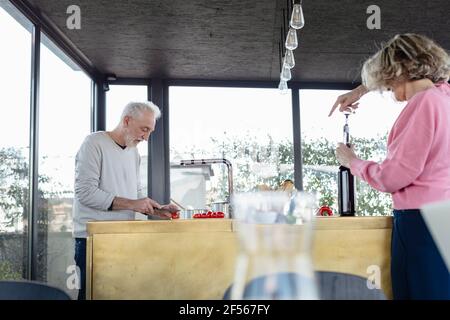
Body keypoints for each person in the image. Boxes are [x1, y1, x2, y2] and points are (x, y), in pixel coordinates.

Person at [329, 33, 450, 300]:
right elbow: (409, 58)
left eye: (387, 83)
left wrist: (353, 162)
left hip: (420, 223)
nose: (391, 93)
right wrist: (361, 90)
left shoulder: (424, 103)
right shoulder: (443, 97)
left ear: (398, 71)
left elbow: (395, 176)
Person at [72, 101, 179, 300]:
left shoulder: (133, 151)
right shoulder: (93, 143)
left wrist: (155, 210)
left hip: (123, 238)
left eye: (150, 131)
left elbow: (135, 194)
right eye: (144, 129)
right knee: (92, 296)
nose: (146, 137)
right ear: (127, 121)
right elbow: (85, 192)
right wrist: (132, 204)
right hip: (92, 241)